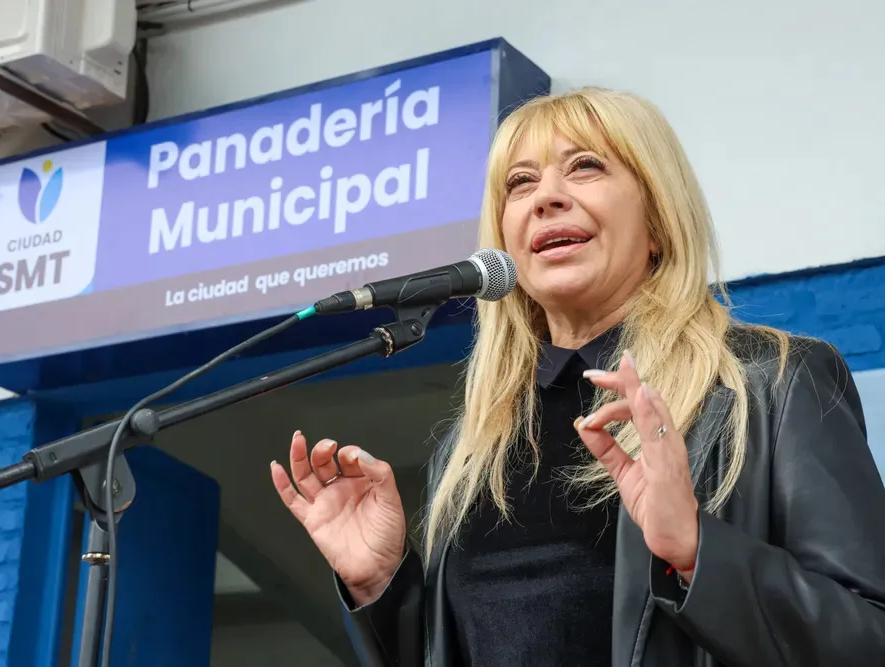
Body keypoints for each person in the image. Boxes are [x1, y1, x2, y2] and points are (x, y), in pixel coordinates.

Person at [269, 87, 885, 666]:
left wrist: (699, 551)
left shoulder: (773, 381)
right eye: (520, 183)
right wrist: (380, 585)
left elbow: (867, 638)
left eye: (585, 166)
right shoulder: (472, 447)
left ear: (658, 220)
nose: (546, 197)